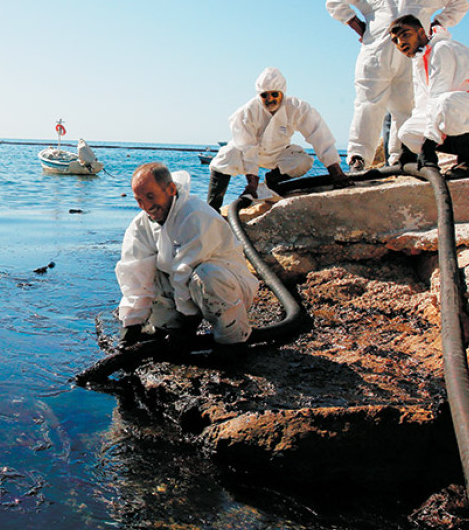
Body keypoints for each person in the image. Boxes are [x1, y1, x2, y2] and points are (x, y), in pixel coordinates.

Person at [326, 0, 469, 171]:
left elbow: (460, 0)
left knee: (408, 107)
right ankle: (358, 158)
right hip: (375, 56)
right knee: (367, 104)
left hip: (412, 57)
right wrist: (356, 24)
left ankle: (401, 157)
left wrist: (437, 24)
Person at [115, 162, 258, 351]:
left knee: (207, 275)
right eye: (139, 200)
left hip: (223, 288)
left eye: (150, 196)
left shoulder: (194, 215)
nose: (146, 206)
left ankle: (233, 339)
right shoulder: (141, 225)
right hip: (184, 290)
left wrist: (186, 323)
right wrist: (131, 325)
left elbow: (186, 269)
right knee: (147, 272)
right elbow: (134, 275)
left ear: (171, 189)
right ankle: (165, 326)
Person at [388, 14, 469, 178]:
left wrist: (428, 144)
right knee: (407, 132)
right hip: (467, 116)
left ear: (421, 33)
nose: (401, 43)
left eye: (406, 35)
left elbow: (439, 96)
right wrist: (407, 150)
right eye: (395, 40)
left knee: (447, 102)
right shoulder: (420, 60)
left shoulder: (442, 49)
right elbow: (423, 105)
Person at [206, 67, 348, 211]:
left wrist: (336, 171)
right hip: (247, 154)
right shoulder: (247, 112)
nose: (270, 99)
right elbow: (248, 147)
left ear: (282, 93)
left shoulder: (297, 108)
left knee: (302, 161)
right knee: (225, 156)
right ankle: (212, 209)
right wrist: (251, 184)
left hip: (277, 154)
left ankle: (270, 183)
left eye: (274, 94)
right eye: (264, 96)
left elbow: (320, 136)